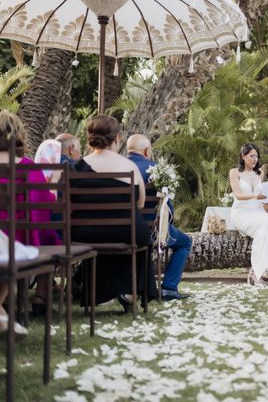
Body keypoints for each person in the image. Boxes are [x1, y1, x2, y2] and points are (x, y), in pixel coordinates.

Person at [71, 115, 158, 311]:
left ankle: (100, 294)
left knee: (103, 231)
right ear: (118, 138)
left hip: (85, 234)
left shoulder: (76, 167)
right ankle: (130, 292)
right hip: (126, 231)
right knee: (141, 237)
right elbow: (141, 203)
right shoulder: (129, 167)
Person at [0, 110, 60, 333]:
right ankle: (42, 295)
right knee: (51, 236)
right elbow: (44, 209)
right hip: (20, 241)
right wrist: (53, 186)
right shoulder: (28, 168)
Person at [127, 134, 192, 300]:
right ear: (147, 150)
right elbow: (167, 210)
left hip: (119, 231)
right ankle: (169, 287)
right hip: (150, 232)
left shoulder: (118, 167)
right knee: (185, 242)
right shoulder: (156, 170)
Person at [229, 143, 268, 285]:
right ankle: (256, 274)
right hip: (241, 212)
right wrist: (253, 196)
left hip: (257, 211)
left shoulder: (260, 173)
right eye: (252, 156)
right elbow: (238, 195)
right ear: (243, 156)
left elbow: (262, 198)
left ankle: (256, 272)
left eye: (257, 156)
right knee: (265, 225)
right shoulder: (234, 172)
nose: (255, 159)